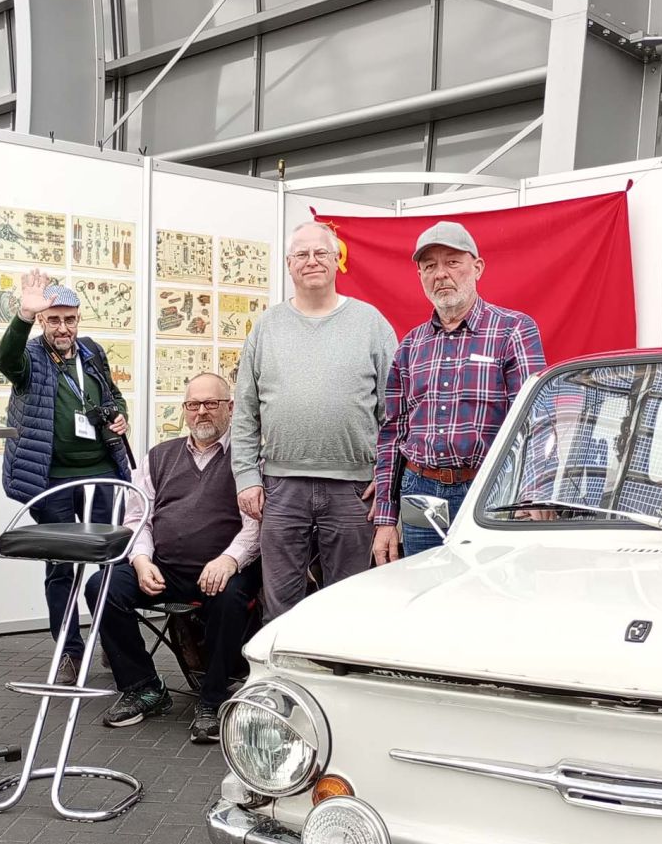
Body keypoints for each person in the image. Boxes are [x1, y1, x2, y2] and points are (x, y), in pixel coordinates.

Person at [232, 221, 397, 621]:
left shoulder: (370, 323)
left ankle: (341, 662)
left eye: (321, 252)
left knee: (350, 602)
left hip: (355, 489)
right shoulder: (267, 326)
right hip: (281, 487)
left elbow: (395, 412)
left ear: (336, 260)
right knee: (280, 604)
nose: (312, 261)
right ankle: (284, 662)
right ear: (289, 264)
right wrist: (246, 477)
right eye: (302, 254)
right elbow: (245, 411)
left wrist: (388, 477)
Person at [87, 372, 261, 742]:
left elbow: (257, 525)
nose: (201, 412)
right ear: (184, 409)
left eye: (211, 403)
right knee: (101, 586)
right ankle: (144, 687)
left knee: (231, 598)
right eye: (193, 405)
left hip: (224, 569)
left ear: (230, 408)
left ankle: (213, 700)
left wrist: (229, 560)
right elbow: (138, 519)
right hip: (164, 567)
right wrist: (141, 561)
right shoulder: (159, 456)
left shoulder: (248, 460)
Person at [372, 221, 545, 560]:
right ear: (420, 275)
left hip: (490, 491)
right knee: (425, 582)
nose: (441, 274)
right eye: (429, 266)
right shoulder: (410, 346)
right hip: (420, 491)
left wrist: (531, 491)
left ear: (477, 267)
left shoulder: (513, 331)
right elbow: (392, 435)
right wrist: (385, 519)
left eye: (452, 262)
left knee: (490, 586)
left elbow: (534, 420)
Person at [0, 269, 131, 673]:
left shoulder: (92, 352)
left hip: (102, 473)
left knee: (112, 563)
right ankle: (69, 650)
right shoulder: (30, 357)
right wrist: (22, 315)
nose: (62, 328)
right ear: (41, 320)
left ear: (78, 319)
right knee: (61, 567)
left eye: (69, 319)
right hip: (51, 478)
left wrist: (119, 416)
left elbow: (113, 395)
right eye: (53, 319)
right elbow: (5, 359)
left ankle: (114, 642)